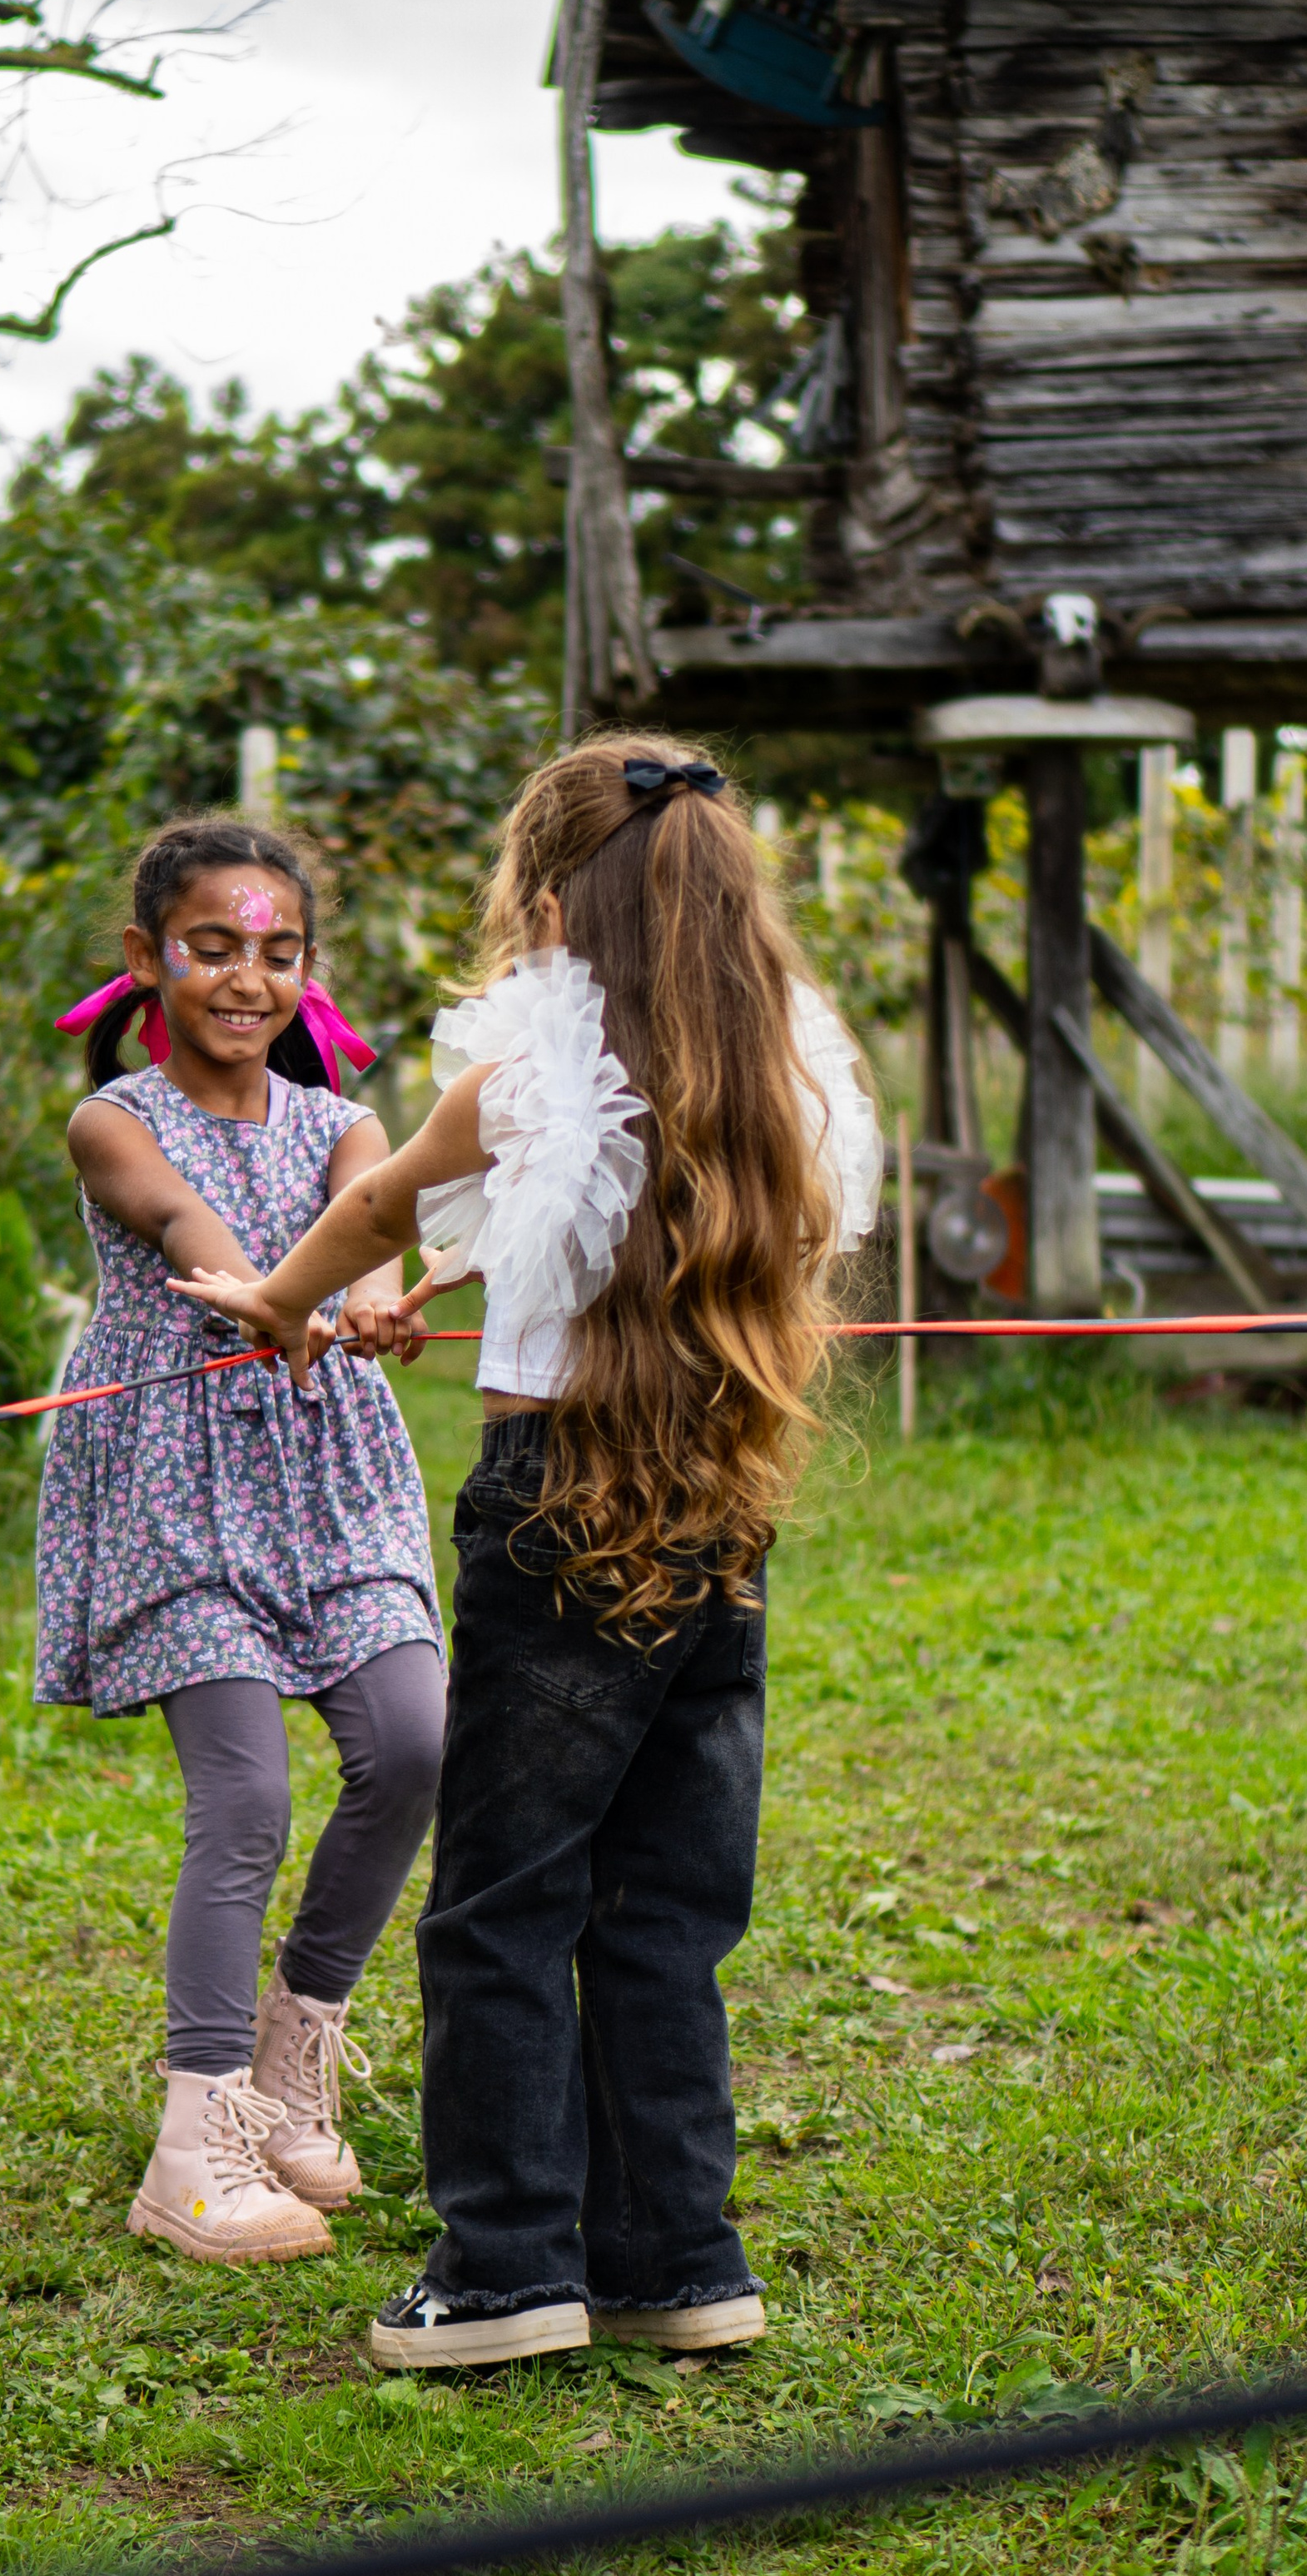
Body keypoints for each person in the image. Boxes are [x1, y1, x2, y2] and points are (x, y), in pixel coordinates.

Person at [173, 738, 881, 2369]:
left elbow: (382, 1211)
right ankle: (674, 2263)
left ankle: (499, 2274)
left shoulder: (532, 1078)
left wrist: (285, 1304)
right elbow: (634, 1238)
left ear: (553, 910)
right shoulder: (782, 1081)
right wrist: (464, 1276)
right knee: (662, 1910)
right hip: (721, 1521)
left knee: (499, 1906)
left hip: (561, 1518)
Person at [37, 813, 446, 2265]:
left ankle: (293, 2055)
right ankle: (192, 2140)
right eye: (212, 948)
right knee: (249, 1805)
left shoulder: (345, 1119)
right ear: (148, 957)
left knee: (413, 1747)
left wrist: (378, 1303)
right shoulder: (116, 1119)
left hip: (333, 1476)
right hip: (178, 1481)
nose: (245, 978)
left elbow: (377, 1229)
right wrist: (291, 1297)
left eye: (278, 952)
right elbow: (192, 1231)